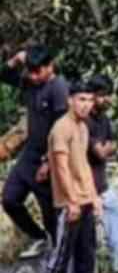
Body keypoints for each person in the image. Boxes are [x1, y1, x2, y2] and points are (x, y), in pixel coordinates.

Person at [41, 81, 108, 273]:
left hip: (84, 199)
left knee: (86, 251)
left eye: (90, 100)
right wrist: (70, 201)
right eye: (81, 99)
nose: (86, 105)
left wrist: (93, 197)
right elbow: (60, 168)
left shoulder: (83, 127)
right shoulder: (62, 128)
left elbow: (83, 166)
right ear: (70, 100)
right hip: (68, 203)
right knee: (60, 255)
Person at [1, 45, 69, 259]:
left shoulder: (59, 88)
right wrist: (15, 60)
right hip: (29, 153)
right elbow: (3, 75)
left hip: (47, 156)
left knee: (49, 209)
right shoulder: (31, 82)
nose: (33, 76)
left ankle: (57, 251)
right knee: (10, 199)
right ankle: (38, 237)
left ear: (50, 67)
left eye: (37, 71)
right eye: (30, 71)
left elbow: (62, 129)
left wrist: (48, 162)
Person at [86, 75, 118, 273]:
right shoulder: (85, 121)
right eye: (103, 95)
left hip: (102, 186)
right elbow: (101, 152)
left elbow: (112, 144)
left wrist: (109, 146)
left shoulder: (104, 119)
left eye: (109, 95)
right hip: (88, 189)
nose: (108, 100)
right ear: (92, 96)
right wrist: (109, 147)